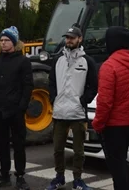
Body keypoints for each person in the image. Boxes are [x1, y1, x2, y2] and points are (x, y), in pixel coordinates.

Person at [92, 26, 129, 190]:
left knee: (116, 165)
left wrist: (98, 124)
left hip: (114, 123)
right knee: (122, 160)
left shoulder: (109, 66)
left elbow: (105, 101)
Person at [47, 25, 98, 190]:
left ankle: (78, 179)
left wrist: (84, 100)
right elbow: (52, 82)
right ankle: (59, 177)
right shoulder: (58, 59)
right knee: (57, 150)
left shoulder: (87, 61)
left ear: (79, 39)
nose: (69, 40)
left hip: (77, 112)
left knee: (78, 151)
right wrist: (53, 99)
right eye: (67, 38)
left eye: (72, 38)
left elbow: (93, 85)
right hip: (60, 112)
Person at [0, 26, 34, 190]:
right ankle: (4, 175)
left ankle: (20, 176)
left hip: (15, 111)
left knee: (19, 144)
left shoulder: (23, 61)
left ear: (14, 42)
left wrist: (21, 107)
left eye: (7, 40)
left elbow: (27, 86)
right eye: (1, 40)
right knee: (2, 145)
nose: (3, 43)